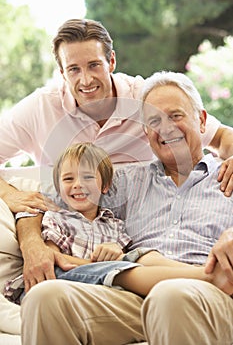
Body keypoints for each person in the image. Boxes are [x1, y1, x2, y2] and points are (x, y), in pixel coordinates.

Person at [20, 71, 233, 345]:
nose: (165, 128)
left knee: (170, 295)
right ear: (146, 132)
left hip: (208, 295)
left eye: (176, 116)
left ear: (202, 121)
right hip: (131, 298)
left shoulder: (227, 175)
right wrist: (32, 243)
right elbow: (41, 201)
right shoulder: (125, 181)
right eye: (154, 121)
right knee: (45, 298)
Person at [0, 18, 233, 218]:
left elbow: (221, 137)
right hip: (69, 230)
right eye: (74, 69)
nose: (86, 80)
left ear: (111, 61)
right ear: (62, 73)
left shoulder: (145, 97)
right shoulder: (40, 108)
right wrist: (9, 194)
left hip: (144, 227)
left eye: (94, 65)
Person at [8, 141, 229, 306]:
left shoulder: (112, 224)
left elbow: (124, 254)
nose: (77, 185)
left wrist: (115, 251)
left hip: (106, 285)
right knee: (132, 265)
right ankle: (207, 277)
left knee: (143, 255)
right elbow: (57, 261)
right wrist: (109, 264)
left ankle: (197, 271)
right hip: (61, 279)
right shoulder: (56, 218)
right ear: (58, 186)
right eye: (68, 179)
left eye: (87, 177)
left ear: (105, 187)